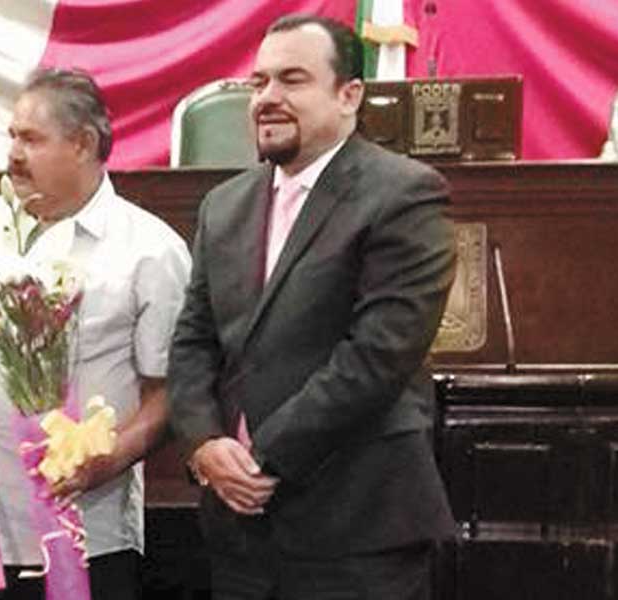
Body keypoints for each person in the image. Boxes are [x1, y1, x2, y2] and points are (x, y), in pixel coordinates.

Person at [168, 14, 457, 600]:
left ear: (349, 95)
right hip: (239, 536)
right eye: (259, 82)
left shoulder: (404, 194)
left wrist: (261, 459)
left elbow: (376, 356)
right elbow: (194, 342)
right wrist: (204, 445)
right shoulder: (224, 205)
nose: (267, 98)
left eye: (292, 80)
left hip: (357, 532)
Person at [0, 68, 191, 600]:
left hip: (84, 531)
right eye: (12, 136)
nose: (13, 155)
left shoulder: (150, 250)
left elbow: (167, 393)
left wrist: (110, 458)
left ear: (83, 143)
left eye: (30, 139)